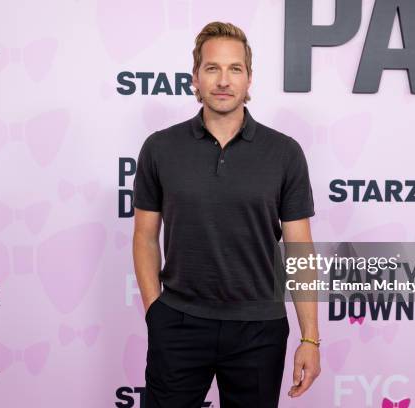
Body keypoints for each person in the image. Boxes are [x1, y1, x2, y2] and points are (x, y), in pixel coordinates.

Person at [132, 21, 320, 408]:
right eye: (212, 68)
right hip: (180, 323)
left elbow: (300, 248)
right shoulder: (160, 148)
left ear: (249, 80)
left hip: (259, 330)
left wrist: (310, 338)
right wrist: (156, 314)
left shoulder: (284, 153)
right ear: (195, 78)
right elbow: (145, 236)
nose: (223, 80)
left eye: (235, 69)